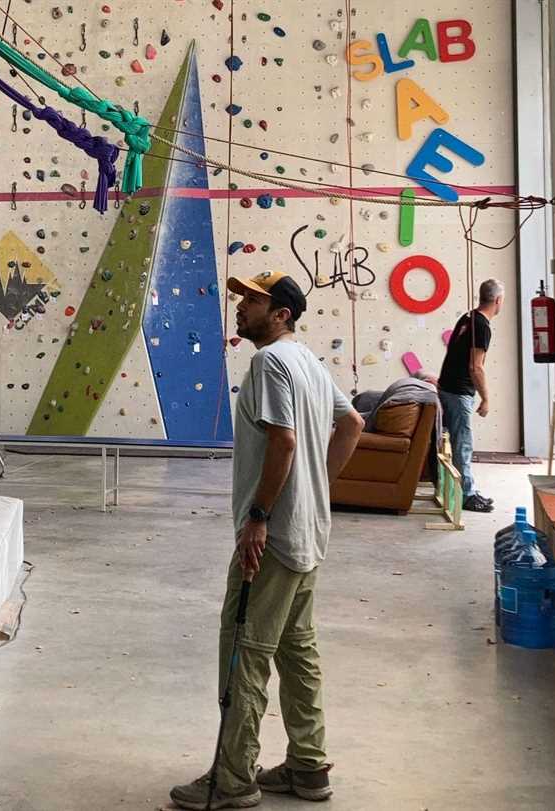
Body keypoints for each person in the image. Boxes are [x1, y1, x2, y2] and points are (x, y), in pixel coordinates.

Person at [169, 270, 364, 810]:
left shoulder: (271, 362)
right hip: (307, 533)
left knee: (246, 650)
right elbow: (352, 424)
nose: (240, 308)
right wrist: (317, 486)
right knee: (298, 650)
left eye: (251, 301)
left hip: (273, 538)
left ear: (280, 314)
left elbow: (283, 440)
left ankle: (231, 779)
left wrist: (258, 516)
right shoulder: (307, 361)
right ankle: (308, 767)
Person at [437, 278, 504, 513]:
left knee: (455, 442)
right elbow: (475, 367)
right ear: (498, 301)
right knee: (462, 444)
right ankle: (467, 495)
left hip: (447, 387)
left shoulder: (467, 317)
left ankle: (464, 489)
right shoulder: (482, 326)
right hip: (458, 392)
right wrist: (486, 398)